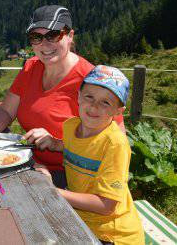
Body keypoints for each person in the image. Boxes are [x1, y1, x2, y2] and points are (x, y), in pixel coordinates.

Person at [0, 5, 124, 188]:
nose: (44, 44)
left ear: (70, 36)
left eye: (53, 35)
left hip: (71, 177)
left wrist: (58, 143)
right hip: (27, 162)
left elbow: (116, 144)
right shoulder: (32, 66)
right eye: (36, 37)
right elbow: (6, 109)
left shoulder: (92, 82)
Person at [34, 65, 145, 245]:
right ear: (78, 97)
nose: (94, 106)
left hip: (112, 234)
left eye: (106, 102)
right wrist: (56, 144)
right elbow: (83, 147)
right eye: (89, 97)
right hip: (80, 219)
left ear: (118, 111)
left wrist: (51, 191)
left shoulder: (114, 143)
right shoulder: (71, 126)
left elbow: (106, 205)